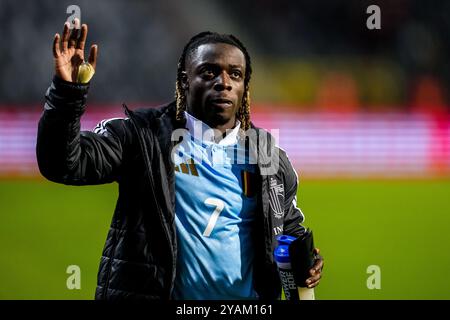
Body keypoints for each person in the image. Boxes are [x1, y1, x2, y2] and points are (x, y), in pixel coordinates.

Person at [36, 20, 324, 300]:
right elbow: (62, 163)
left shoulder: (269, 157)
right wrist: (67, 94)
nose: (223, 83)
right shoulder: (142, 136)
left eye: (235, 74)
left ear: (244, 86)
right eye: (209, 72)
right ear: (185, 81)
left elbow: (286, 229)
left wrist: (307, 262)